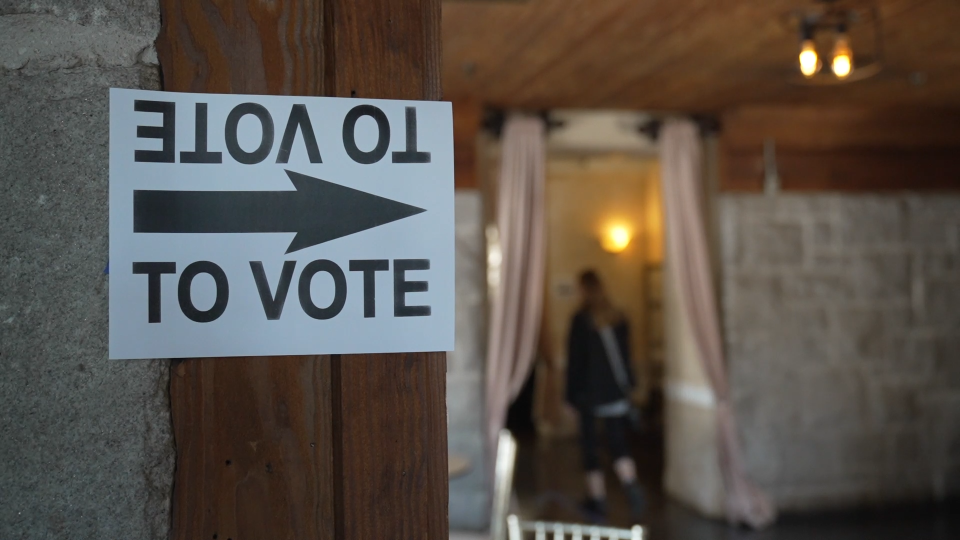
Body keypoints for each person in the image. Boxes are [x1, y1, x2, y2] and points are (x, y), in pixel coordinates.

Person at [565, 269, 645, 523]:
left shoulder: (580, 320)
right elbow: (626, 357)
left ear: (583, 290)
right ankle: (631, 487)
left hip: (589, 395)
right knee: (617, 442)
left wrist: (570, 396)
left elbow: (575, 363)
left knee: (590, 448)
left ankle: (598, 501)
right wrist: (629, 386)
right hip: (614, 393)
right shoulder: (618, 318)